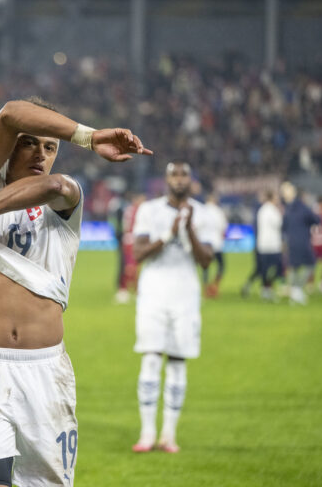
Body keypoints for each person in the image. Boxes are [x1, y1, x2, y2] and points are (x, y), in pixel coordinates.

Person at [0, 98, 150, 486]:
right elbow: (11, 112)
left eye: (50, 146)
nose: (40, 154)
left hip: (46, 376)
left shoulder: (65, 200)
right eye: (28, 143)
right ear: (8, 145)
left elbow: (54, 185)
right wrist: (90, 136)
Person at [130, 162, 214, 454]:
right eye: (174, 175)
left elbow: (206, 261)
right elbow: (138, 253)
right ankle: (147, 432)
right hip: (153, 294)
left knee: (177, 362)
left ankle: (169, 434)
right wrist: (168, 233)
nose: (179, 180)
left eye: (184, 175)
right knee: (151, 360)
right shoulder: (149, 210)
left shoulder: (204, 214)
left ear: (191, 180)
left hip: (186, 296)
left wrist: (188, 228)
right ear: (166, 180)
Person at [280, 183, 320, 305]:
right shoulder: (303, 208)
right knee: (311, 264)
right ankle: (297, 290)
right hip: (303, 242)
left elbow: (283, 227)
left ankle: (294, 293)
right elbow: (317, 220)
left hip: (291, 242)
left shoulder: (288, 209)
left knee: (294, 267)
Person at [256, 190, 284, 300]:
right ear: (272, 198)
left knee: (265, 268)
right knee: (278, 268)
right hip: (273, 244)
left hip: (262, 243)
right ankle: (269, 287)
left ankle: (265, 289)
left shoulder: (261, 209)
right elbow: (279, 224)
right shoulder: (273, 210)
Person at [202, 191, 228, 298]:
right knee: (221, 266)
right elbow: (224, 229)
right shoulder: (219, 212)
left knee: (205, 267)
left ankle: (205, 289)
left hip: (204, 244)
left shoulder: (201, 210)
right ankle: (214, 286)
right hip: (217, 244)